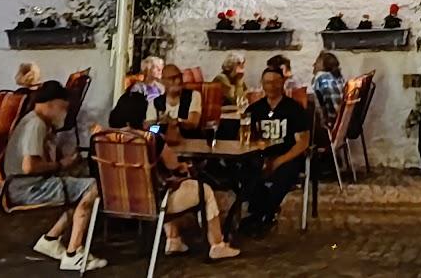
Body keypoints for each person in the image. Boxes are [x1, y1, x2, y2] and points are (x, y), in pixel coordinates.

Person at [108, 92, 240, 259]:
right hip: (150, 202)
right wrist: (184, 166)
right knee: (203, 190)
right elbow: (174, 165)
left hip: (115, 200)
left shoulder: (103, 139)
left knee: (164, 183)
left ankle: (174, 239)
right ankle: (217, 244)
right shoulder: (150, 139)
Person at [5, 80, 107, 272]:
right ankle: (73, 254)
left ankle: (51, 239)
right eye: (63, 108)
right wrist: (60, 164)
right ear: (50, 104)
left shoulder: (35, 120)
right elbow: (29, 166)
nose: (65, 113)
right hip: (27, 188)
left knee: (79, 189)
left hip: (19, 185)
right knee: (92, 186)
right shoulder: (36, 124)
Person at [241, 67, 310, 236]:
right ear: (262, 85)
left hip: (288, 155)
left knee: (285, 174)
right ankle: (263, 212)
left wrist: (280, 160)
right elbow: (246, 139)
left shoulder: (294, 109)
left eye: (275, 82)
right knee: (244, 172)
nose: (271, 86)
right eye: (267, 82)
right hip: (261, 155)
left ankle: (262, 215)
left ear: (282, 83)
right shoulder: (255, 109)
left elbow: (303, 142)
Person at [146, 64, 201, 134]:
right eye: (172, 78)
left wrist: (173, 122)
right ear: (163, 81)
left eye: (179, 76)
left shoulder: (193, 95)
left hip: (187, 140)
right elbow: (149, 127)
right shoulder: (155, 102)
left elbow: (193, 124)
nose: (178, 81)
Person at [312, 51, 345, 128]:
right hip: (344, 120)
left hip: (332, 124)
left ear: (324, 66)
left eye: (317, 62)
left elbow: (334, 108)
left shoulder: (322, 77)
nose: (313, 65)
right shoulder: (338, 78)